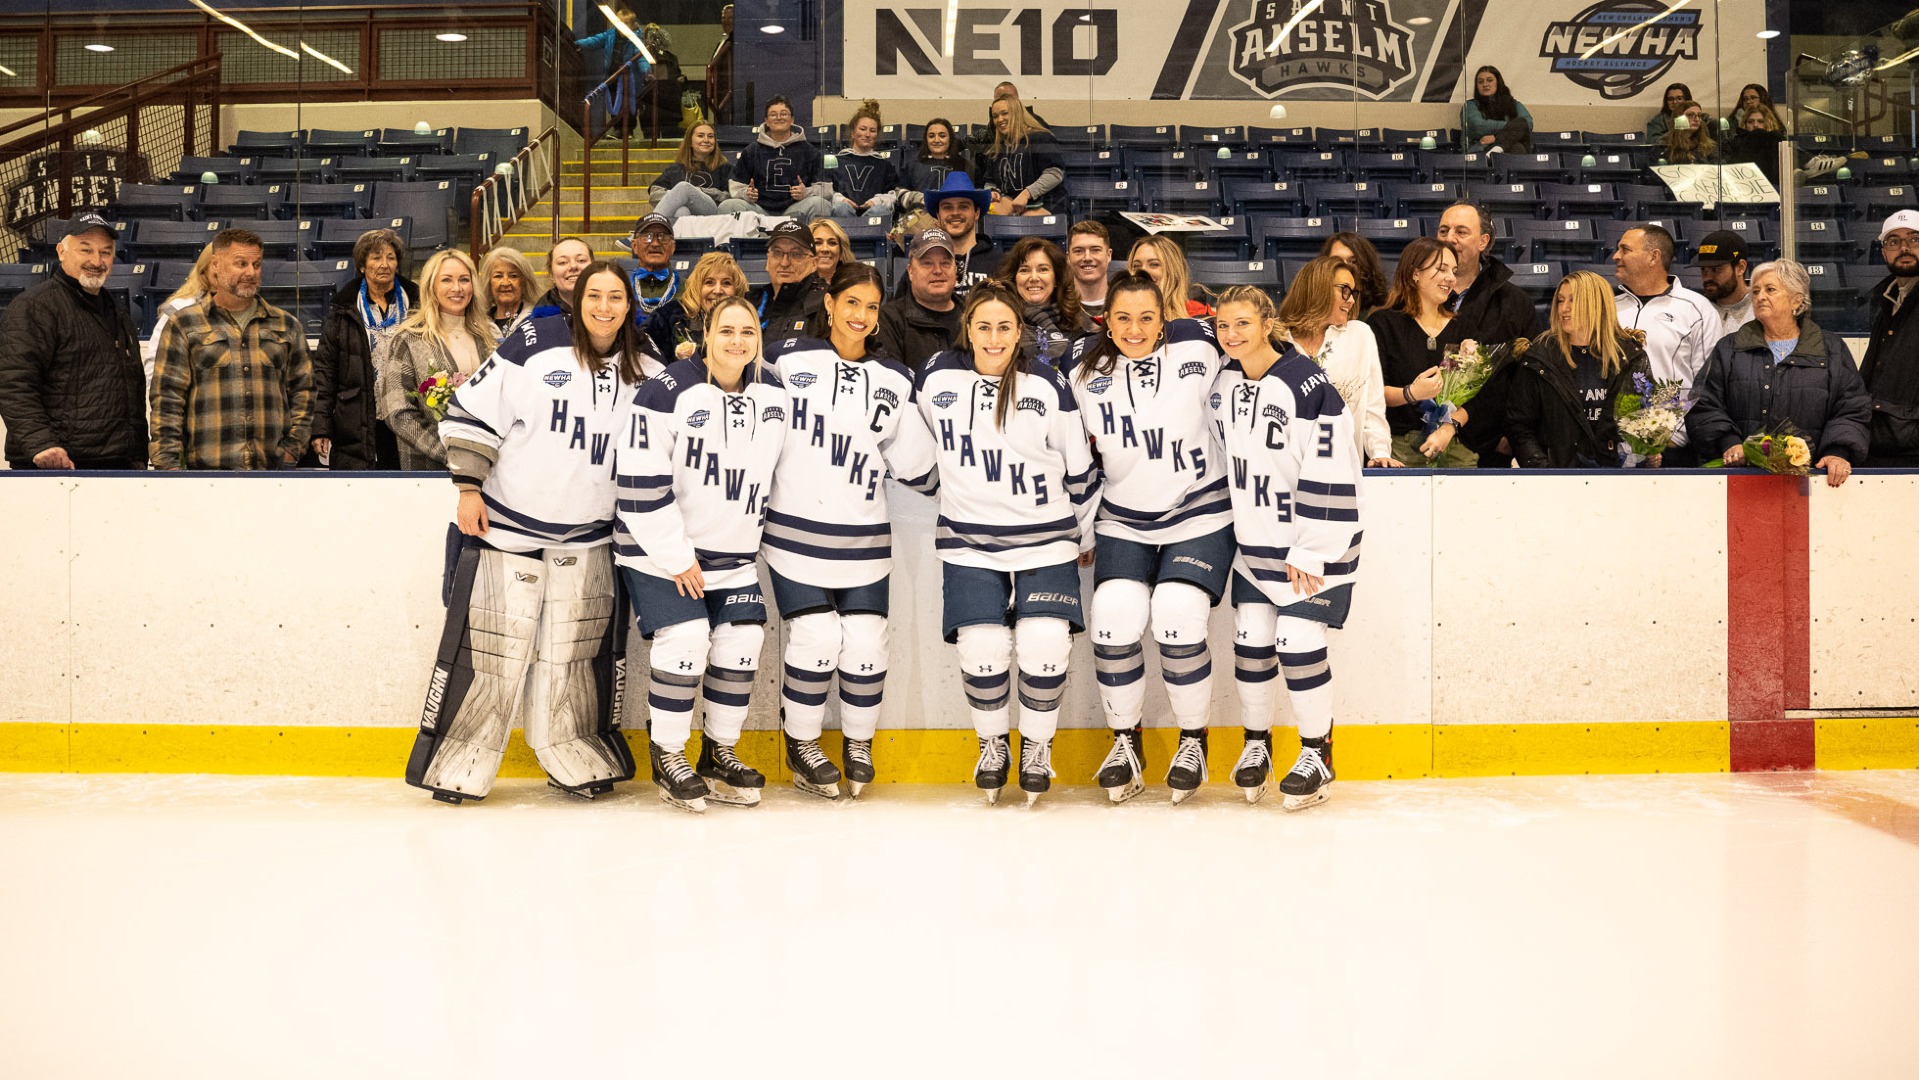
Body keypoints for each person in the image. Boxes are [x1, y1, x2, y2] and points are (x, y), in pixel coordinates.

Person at [404, 260, 660, 805]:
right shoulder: (537, 341)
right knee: (490, 654)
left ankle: (576, 750)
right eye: (595, 296)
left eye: (616, 297)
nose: (605, 308)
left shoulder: (648, 364)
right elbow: (473, 410)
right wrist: (468, 488)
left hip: (591, 537)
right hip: (507, 527)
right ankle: (456, 759)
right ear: (577, 299)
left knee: (575, 656)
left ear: (629, 304)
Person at [915, 282, 1098, 805]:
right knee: (982, 645)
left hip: (1047, 539)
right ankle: (992, 745)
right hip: (967, 541)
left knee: (1044, 643)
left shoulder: (1048, 383)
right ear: (968, 329)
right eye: (983, 326)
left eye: (1004, 327)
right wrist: (950, 488)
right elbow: (915, 449)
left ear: (1020, 331)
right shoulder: (936, 376)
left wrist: (1083, 534)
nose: (993, 338)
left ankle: (1037, 748)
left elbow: (1079, 469)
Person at [763, 264, 939, 799]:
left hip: (865, 538)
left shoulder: (895, 378)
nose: (861, 315)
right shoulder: (785, 360)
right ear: (830, 304)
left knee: (865, 645)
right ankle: (802, 744)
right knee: (816, 637)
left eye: (871, 306)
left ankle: (858, 744)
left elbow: (919, 464)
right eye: (852, 303)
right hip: (793, 534)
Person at [1061, 274, 1230, 804]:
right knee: (1113, 618)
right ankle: (1125, 743)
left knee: (1178, 613)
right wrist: (1081, 527)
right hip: (1122, 519)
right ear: (1105, 321)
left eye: (1146, 318)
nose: (1134, 329)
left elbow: (1267, 354)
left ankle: (1194, 741)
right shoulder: (1079, 367)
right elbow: (1066, 449)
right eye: (1122, 318)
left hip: (1200, 512)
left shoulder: (1201, 342)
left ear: (1164, 320)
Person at [614, 294, 785, 813]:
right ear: (705, 335)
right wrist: (676, 556)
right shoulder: (667, 390)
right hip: (659, 551)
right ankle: (668, 754)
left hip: (732, 557)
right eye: (726, 330)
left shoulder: (773, 392)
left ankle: (718, 752)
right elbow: (639, 483)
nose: (738, 341)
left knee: (742, 641)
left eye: (748, 332)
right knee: (686, 641)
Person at [1209, 284, 1364, 810]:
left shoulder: (1306, 385)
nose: (1231, 334)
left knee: (1296, 640)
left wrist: (1312, 548)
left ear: (1267, 324)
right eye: (1223, 325)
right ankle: (1257, 745)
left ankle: (1318, 752)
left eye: (1243, 324)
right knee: (1252, 640)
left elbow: (1334, 469)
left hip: (1314, 543)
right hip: (1257, 545)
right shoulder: (1226, 381)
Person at [1688, 260, 1870, 488]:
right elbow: (1703, 403)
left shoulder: (1831, 349)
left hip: (1813, 482)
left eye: (1770, 289)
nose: (1760, 297)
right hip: (1740, 479)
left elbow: (1852, 408)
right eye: (1756, 291)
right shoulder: (1729, 348)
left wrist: (1837, 451)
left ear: (1796, 300)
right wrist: (1729, 442)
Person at [150, 228, 312, 471]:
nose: (251, 272)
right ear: (215, 265)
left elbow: (304, 392)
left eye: (256, 264)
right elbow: (167, 400)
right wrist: (168, 465)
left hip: (273, 473)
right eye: (241, 263)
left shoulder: (286, 325)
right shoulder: (184, 324)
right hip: (205, 475)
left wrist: (292, 449)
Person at [0, 212, 146, 470]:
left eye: (105, 252)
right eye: (85, 250)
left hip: (116, 465)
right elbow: (13, 383)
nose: (96, 261)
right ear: (61, 252)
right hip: (55, 468)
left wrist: (136, 457)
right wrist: (40, 444)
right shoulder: (35, 307)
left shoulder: (117, 311)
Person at [1506, 271, 1654, 469]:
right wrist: (1543, 471)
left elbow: (1645, 418)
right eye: (1560, 300)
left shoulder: (1631, 356)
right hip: (1555, 476)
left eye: (1573, 301)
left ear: (1597, 304)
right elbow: (1519, 425)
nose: (1563, 309)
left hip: (1617, 476)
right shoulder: (1539, 357)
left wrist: (1646, 450)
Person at [1436, 200, 1538, 468]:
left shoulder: (1514, 303)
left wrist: (1509, 434)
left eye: (1461, 231)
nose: (1449, 238)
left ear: (1483, 241)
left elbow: (1526, 378)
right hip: (1423, 440)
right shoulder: (1413, 299)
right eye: (1444, 230)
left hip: (1490, 448)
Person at [375, 249, 498, 470]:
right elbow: (398, 412)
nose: (457, 288)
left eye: (464, 280)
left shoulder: (489, 336)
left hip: (488, 466)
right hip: (428, 471)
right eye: (447, 280)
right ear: (431, 286)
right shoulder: (408, 339)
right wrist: (450, 453)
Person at [1612, 223, 1720, 465]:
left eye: (1625, 249)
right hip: (1612, 449)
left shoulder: (1697, 309)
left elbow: (1707, 384)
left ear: (1654, 257)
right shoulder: (1609, 308)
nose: (1616, 256)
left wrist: (1670, 437)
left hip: (1672, 449)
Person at [310, 228, 417, 470]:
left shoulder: (418, 304)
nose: (384, 264)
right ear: (362, 266)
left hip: (408, 418)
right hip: (356, 423)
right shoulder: (343, 309)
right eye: (376, 257)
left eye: (390, 257)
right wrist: (321, 427)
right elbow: (325, 372)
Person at [1364, 237, 1472, 467]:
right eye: (1441, 269)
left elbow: (1477, 399)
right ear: (1415, 274)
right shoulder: (1383, 324)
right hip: (1398, 450)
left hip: (1452, 447)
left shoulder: (1462, 327)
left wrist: (1448, 428)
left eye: (1454, 271)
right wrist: (1411, 393)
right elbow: (1371, 393)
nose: (1451, 278)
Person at [1278, 255, 1395, 467]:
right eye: (1345, 290)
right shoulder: (1278, 340)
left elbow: (1372, 406)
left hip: (1342, 465)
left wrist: (1379, 452)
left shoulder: (1359, 335)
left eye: (1353, 293)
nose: (1351, 300)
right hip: (1286, 465)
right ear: (1317, 287)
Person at [1860, 210, 1919, 465]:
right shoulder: (1884, 300)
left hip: (1909, 451)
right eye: (1894, 241)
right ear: (1884, 252)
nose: (1904, 247)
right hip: (1884, 444)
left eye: (1914, 239)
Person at [719, 96, 835, 223]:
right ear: (766, 121)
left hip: (796, 210)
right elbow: (735, 185)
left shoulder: (809, 151)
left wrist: (806, 192)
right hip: (759, 211)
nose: (779, 117)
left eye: (784, 114)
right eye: (773, 114)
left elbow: (826, 189)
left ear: (792, 120)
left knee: (820, 204)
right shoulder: (752, 151)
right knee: (728, 206)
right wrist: (746, 194)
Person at [993, 237, 1092, 366]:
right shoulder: (1000, 326)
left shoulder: (1078, 328)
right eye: (1024, 270)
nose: (1034, 278)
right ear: (1014, 279)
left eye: (1043, 269)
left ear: (1056, 278)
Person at [899, 172, 998, 300]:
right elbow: (898, 309)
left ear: (976, 213)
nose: (955, 213)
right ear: (938, 215)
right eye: (947, 207)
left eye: (963, 206)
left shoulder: (1000, 263)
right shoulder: (920, 264)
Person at [877, 228, 962, 371]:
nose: (937, 270)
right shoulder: (889, 319)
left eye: (945, 263)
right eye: (927, 263)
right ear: (910, 271)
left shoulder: (974, 314)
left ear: (955, 269)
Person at [646, 250, 746, 362]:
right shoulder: (667, 317)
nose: (718, 290)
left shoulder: (748, 321)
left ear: (736, 289)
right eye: (709, 282)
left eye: (726, 283)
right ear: (697, 287)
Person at [978, 94, 1065, 216]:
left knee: (1027, 220)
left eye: (1004, 113)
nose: (1000, 119)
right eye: (995, 116)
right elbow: (990, 182)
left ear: (1017, 114)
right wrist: (992, 192)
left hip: (1046, 202)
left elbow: (1054, 174)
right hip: (1010, 203)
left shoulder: (1041, 138)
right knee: (983, 212)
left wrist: (1027, 194)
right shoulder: (997, 148)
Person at [575, 6, 646, 138]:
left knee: (628, 104)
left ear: (633, 25)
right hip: (613, 76)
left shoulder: (636, 39)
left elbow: (641, 57)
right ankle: (618, 129)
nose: (621, 27)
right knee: (614, 103)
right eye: (618, 23)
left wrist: (646, 72)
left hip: (629, 79)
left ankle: (627, 130)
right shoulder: (610, 35)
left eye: (626, 24)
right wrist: (578, 43)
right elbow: (595, 40)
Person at [830, 100, 903, 217]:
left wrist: (877, 201)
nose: (867, 134)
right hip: (843, 215)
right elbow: (825, 191)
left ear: (877, 136)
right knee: (841, 208)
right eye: (863, 129)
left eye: (872, 131)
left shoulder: (885, 166)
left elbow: (893, 194)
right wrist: (840, 200)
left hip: (873, 216)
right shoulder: (835, 161)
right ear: (853, 133)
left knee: (880, 211)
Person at [756, 219, 828, 336]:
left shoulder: (827, 303)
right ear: (768, 261)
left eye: (796, 254)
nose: (784, 263)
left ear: (814, 264)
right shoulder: (750, 301)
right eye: (777, 253)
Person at [649, 122, 732, 220]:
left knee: (684, 187)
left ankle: (651, 225)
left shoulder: (724, 167)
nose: (706, 140)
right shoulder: (676, 168)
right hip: (686, 215)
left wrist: (699, 192)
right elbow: (654, 194)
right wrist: (679, 196)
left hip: (711, 212)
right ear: (689, 142)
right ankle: (661, 227)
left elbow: (731, 196)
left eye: (710, 136)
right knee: (681, 210)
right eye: (700, 136)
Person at [1129, 234, 1213, 319]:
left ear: (1173, 271)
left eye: (1154, 264)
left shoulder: (1200, 319)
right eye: (1136, 266)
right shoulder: (1122, 315)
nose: (1143, 271)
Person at [622, 213, 681, 323]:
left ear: (673, 247)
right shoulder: (621, 288)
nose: (655, 243)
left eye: (663, 237)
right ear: (634, 246)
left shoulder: (689, 290)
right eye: (647, 236)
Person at [1694, 230, 1754, 339]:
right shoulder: (1695, 311)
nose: (1707, 277)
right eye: (1703, 270)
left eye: (1716, 269)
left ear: (1740, 268)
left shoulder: (1763, 309)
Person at [1461, 65, 1533, 152]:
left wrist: (1496, 137)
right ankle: (1496, 151)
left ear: (1498, 83)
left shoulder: (1514, 104)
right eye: (1480, 82)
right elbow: (1477, 126)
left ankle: (1497, 149)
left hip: (1510, 147)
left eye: (1489, 80)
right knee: (1519, 132)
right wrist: (1512, 128)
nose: (1485, 84)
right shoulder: (1471, 106)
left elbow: (1528, 124)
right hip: (1481, 149)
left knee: (1518, 140)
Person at [899, 118, 966, 212]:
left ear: (950, 139)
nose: (936, 140)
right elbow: (900, 193)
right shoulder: (912, 166)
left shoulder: (964, 165)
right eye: (931, 136)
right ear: (926, 140)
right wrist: (919, 199)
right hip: (921, 216)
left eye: (942, 136)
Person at [1322, 232, 1389, 318]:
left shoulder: (1380, 315)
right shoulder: (1314, 308)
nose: (1345, 267)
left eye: (1353, 262)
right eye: (1336, 261)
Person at [478, 245, 538, 335]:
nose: (505, 283)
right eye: (498, 276)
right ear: (488, 283)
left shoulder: (538, 320)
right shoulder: (478, 324)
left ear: (524, 283)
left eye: (513, 276)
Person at [532, 236, 594, 317]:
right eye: (562, 262)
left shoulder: (609, 305)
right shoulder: (540, 317)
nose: (573, 266)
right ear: (551, 273)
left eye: (581, 260)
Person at [1067, 220, 1114, 319]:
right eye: (1078, 251)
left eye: (1095, 250)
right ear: (1068, 258)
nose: (1087, 258)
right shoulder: (1055, 306)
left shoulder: (1126, 302)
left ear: (1108, 255)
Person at [1662, 100, 1716, 164]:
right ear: (1679, 118)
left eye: (1699, 116)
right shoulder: (1665, 143)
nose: (1697, 119)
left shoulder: (1708, 145)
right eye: (1690, 115)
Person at [705, 4, 733, 124]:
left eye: (730, 18)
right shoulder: (723, 42)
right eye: (723, 17)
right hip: (719, 97)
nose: (726, 21)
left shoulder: (734, 43)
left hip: (730, 99)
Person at [810, 217, 856, 284]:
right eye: (817, 243)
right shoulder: (797, 286)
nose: (825, 249)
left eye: (832, 243)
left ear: (841, 253)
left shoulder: (854, 285)